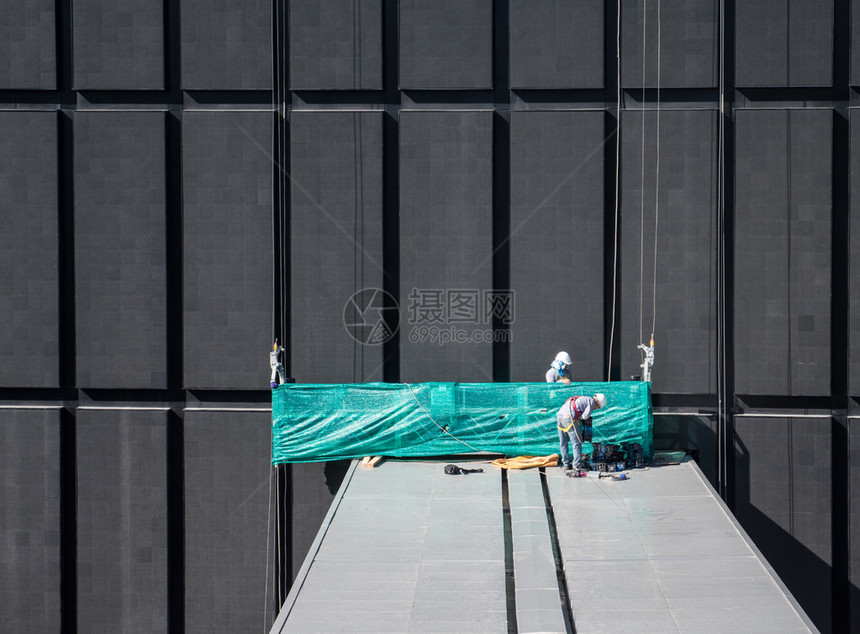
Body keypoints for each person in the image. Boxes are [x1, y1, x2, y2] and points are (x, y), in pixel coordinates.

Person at [557, 392, 606, 471]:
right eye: (598, 407)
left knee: (563, 442)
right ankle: (577, 465)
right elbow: (585, 416)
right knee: (577, 443)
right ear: (598, 402)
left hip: (560, 416)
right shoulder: (591, 402)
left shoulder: (583, 398)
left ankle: (566, 464)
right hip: (569, 417)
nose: (596, 408)